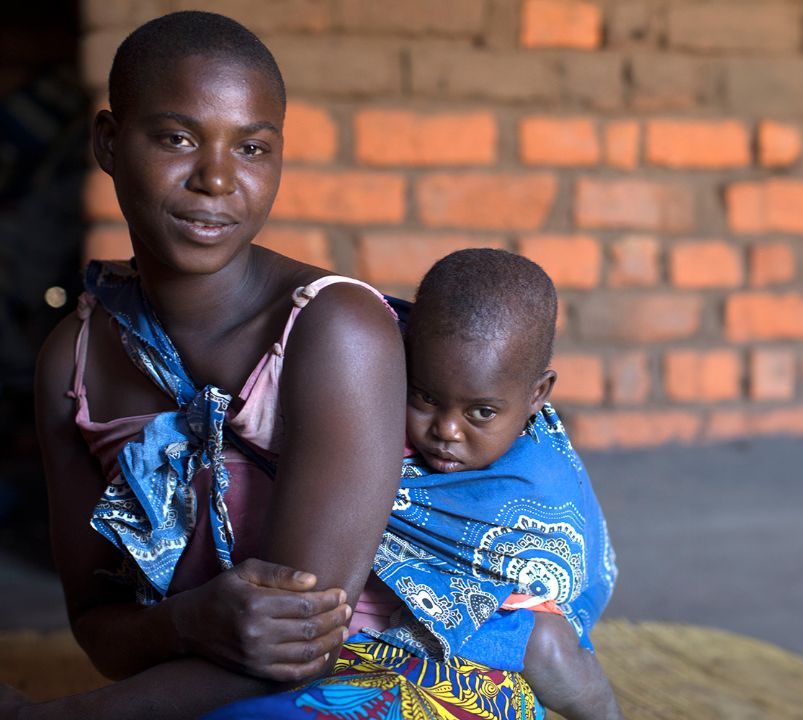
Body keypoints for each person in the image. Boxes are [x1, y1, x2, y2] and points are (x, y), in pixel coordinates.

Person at [3, 11, 540, 720]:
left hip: (398, 678)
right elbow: (100, 630)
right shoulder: (71, 365)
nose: (217, 179)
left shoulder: (333, 330)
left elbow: (301, 645)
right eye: (177, 138)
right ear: (108, 142)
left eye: (252, 148)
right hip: (199, 683)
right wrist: (186, 621)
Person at [212, 249, 622, 719]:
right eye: (426, 397)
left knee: (545, 644)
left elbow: (565, 574)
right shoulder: (364, 402)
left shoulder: (539, 477)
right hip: (366, 635)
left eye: (481, 412)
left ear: (537, 395)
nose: (446, 430)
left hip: (494, 630)